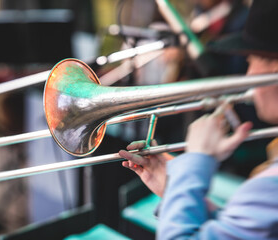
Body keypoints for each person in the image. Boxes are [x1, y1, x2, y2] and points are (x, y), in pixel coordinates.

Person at [119, 0, 278, 239]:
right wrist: (178, 189)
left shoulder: (269, 186)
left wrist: (196, 160)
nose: (247, 76)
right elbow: (244, 230)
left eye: (251, 61)